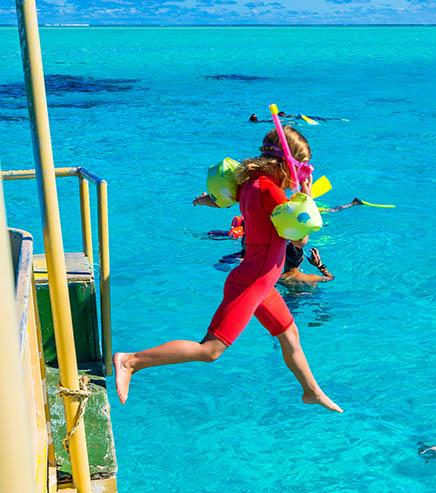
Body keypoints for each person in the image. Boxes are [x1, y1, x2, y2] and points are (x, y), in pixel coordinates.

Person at [114, 126, 341, 413]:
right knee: (210, 350)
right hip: (253, 281)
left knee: (290, 334)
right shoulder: (270, 191)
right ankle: (131, 361)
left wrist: (206, 200)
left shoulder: (250, 183)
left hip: (261, 282)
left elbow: (224, 199)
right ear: (289, 163)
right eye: (304, 167)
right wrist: (306, 197)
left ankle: (312, 392)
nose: (304, 173)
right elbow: (300, 237)